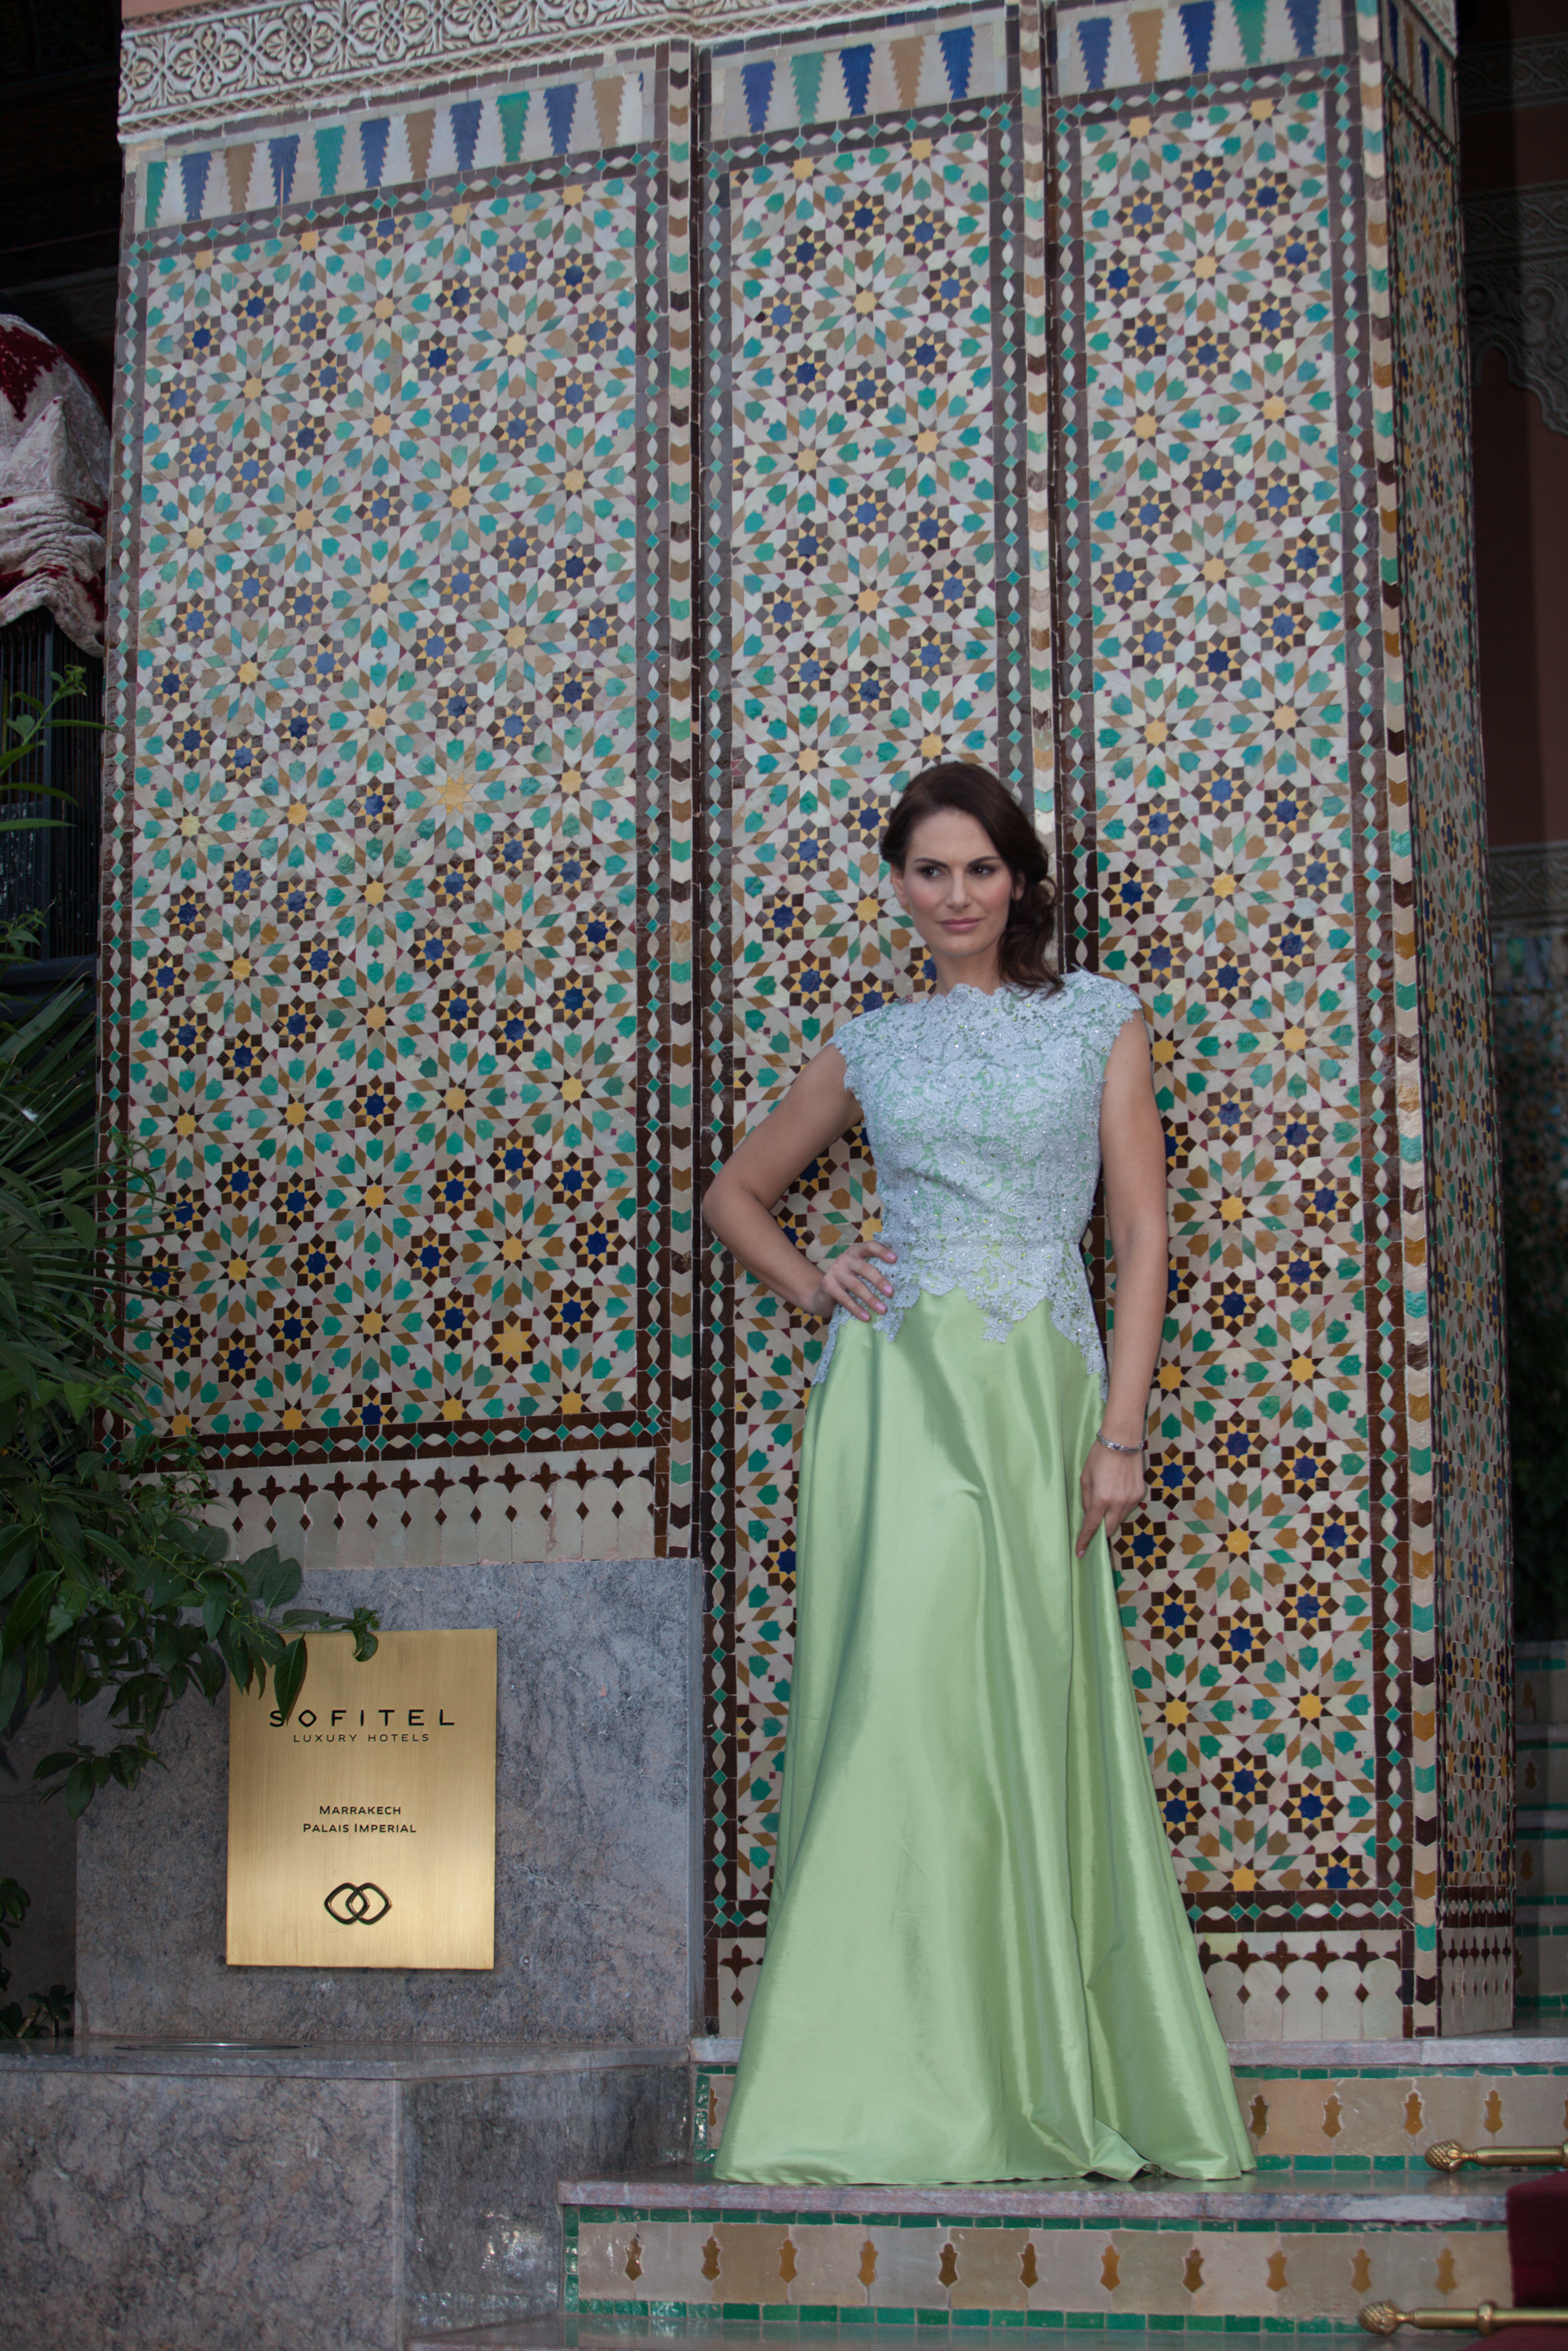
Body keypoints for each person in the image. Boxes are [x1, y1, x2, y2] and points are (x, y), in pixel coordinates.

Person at [702, 762, 1254, 2187]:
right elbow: (733, 1193)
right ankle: (866, 2083)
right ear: (898, 886)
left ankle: (1025, 2072)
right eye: (930, 871)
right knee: (896, 1707)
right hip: (894, 1401)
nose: (955, 896)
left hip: (1031, 1397)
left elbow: (1141, 1235)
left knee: (1017, 1711)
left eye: (981, 870)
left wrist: (1120, 1434)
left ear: (1020, 880)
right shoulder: (870, 1046)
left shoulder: (1100, 1018)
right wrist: (817, 1282)